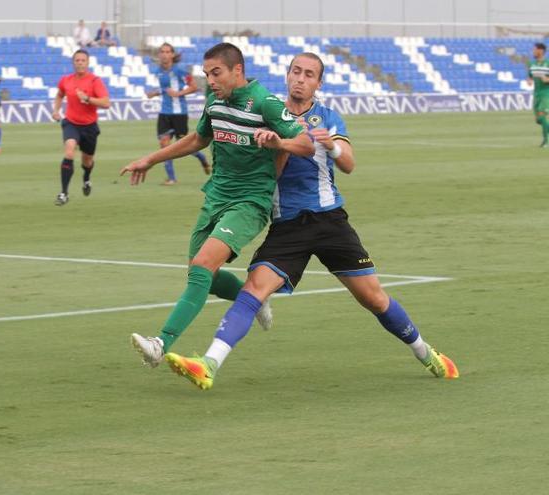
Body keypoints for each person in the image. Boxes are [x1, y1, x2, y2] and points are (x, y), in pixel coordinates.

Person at [164, 53, 459, 390]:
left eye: (309, 75)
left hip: (330, 221)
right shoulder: (268, 112)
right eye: (296, 72)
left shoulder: (328, 117)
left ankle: (425, 353)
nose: (300, 79)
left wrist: (330, 145)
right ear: (287, 76)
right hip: (287, 225)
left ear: (319, 83)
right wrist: (275, 145)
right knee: (253, 290)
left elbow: (348, 163)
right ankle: (208, 364)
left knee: (373, 298)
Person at [123, 42, 314, 366]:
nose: (210, 81)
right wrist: (151, 159)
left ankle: (161, 343)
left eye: (216, 73)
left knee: (202, 266)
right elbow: (199, 139)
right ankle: (253, 299)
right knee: (201, 276)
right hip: (216, 197)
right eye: (206, 74)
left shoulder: (265, 103)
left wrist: (278, 141)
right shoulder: (214, 101)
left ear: (237, 70)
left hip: (249, 202)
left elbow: (306, 144)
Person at [146, 42, 211, 185]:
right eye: (162, 51)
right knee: (164, 144)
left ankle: (202, 159)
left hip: (180, 113)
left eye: (168, 51)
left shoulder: (181, 70)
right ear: (159, 54)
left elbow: (195, 87)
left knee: (185, 147)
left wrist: (178, 93)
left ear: (172, 54)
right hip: (164, 112)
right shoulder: (158, 71)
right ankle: (171, 178)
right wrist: (154, 93)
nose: (164, 54)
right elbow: (165, 89)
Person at [51, 49, 110, 206]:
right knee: (69, 151)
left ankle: (86, 178)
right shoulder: (66, 80)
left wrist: (88, 99)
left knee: (87, 161)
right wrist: (56, 110)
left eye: (83, 60)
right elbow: (59, 95)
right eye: (77, 60)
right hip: (71, 123)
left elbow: (106, 103)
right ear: (73, 62)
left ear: (88, 62)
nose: (80, 63)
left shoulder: (94, 81)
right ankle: (64, 193)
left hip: (89, 127)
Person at [526, 42, 549, 148]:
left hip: (546, 93)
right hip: (537, 94)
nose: (533, 51)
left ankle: (546, 141)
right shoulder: (532, 64)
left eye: (535, 49)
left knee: (543, 115)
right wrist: (529, 80)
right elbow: (530, 75)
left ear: (541, 51)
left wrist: (547, 79)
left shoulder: (548, 63)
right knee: (539, 120)